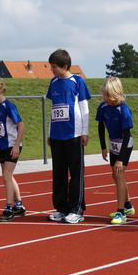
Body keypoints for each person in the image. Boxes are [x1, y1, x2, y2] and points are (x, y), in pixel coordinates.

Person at [46, 49, 91, 224]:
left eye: (54, 66)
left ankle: (76, 209)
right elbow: (53, 109)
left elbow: (84, 108)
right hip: (57, 135)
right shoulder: (53, 82)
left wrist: (84, 132)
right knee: (58, 173)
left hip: (74, 134)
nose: (52, 69)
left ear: (65, 66)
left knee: (76, 173)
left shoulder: (77, 81)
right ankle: (61, 208)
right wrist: (50, 133)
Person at [0, 76, 26, 222]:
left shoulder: (9, 106)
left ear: (1, 91)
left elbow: (21, 126)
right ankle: (18, 205)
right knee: (8, 176)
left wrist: (16, 146)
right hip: (2, 145)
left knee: (6, 177)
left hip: (12, 145)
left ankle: (9, 208)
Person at [95, 77, 135, 225]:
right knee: (116, 175)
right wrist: (103, 147)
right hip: (113, 144)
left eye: (108, 96)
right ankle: (128, 205)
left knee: (119, 175)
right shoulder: (103, 107)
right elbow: (100, 127)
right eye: (103, 95)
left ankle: (121, 212)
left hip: (124, 144)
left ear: (117, 94)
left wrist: (120, 159)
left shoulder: (124, 110)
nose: (105, 98)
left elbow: (126, 136)